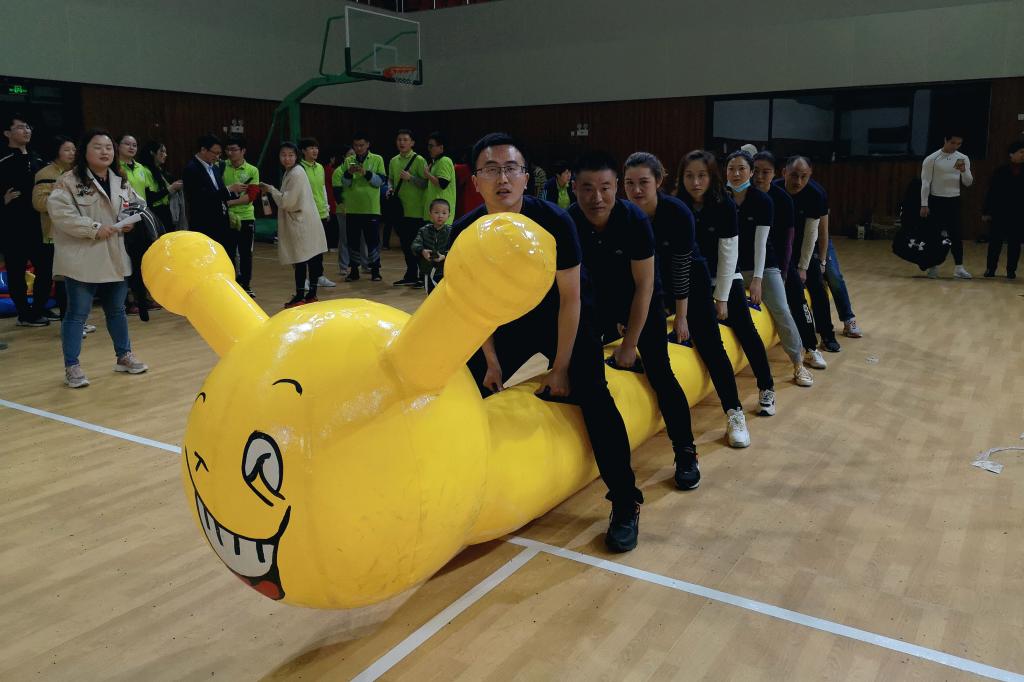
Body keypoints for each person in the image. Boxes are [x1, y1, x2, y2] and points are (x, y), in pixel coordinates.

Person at [452, 132, 643, 552]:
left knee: (594, 394)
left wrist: (560, 369)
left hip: (564, 316)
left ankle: (625, 500)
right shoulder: (465, 232)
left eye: (511, 168)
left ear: (526, 177)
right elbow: (470, 306)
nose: (502, 178)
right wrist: (491, 361)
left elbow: (571, 300)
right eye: (491, 170)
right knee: (465, 382)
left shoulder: (555, 221)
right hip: (507, 321)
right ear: (476, 182)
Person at [570, 151, 700, 490]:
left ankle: (686, 450)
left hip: (640, 300)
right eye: (587, 188)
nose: (597, 198)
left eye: (605, 188)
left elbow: (645, 287)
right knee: (580, 372)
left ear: (615, 187)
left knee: (660, 371)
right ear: (574, 188)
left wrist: (629, 345)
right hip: (596, 303)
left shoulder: (635, 221)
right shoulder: (569, 222)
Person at [624, 152, 750, 448]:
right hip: (651, 283)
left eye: (643, 182)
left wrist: (682, 316)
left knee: (709, 341)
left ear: (659, 181)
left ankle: (734, 411)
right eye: (629, 183)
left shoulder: (677, 211)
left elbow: (681, 267)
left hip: (691, 277)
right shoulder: (625, 214)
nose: (636, 190)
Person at [46, 128, 149, 388]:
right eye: (98, 147)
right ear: (85, 151)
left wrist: (129, 220)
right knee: (77, 314)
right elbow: (60, 214)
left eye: (109, 147)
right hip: (83, 258)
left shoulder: (120, 180)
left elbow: (138, 204)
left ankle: (124, 356)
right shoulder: (68, 181)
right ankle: (72, 366)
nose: (105, 151)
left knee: (117, 310)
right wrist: (93, 228)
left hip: (115, 255)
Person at [677, 150, 776, 419]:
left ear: (712, 177)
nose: (695, 182)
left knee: (744, 327)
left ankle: (766, 386)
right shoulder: (677, 205)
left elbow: (729, 254)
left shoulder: (724, 204)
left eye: (702, 175)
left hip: (725, 276)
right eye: (689, 176)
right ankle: (733, 407)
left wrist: (721, 297)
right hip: (692, 281)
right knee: (707, 340)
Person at [725, 149, 813, 388]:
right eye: (731, 169)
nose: (736, 174)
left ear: (750, 172)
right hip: (731, 268)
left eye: (742, 169)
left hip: (763, 266)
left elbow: (761, 244)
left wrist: (757, 279)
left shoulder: (763, 201)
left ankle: (798, 363)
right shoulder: (722, 198)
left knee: (782, 309)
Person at [752, 151, 828, 371]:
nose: (759, 176)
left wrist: (791, 271)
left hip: (776, 260)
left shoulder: (783, 199)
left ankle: (811, 347)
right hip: (747, 262)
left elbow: (789, 241)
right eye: (755, 171)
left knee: (798, 295)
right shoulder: (741, 196)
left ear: (774, 173)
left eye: (765, 172)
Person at [775, 156, 841, 353]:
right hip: (779, 248)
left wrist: (808, 265)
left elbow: (814, 233)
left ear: (810, 175)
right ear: (784, 172)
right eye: (794, 175)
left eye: (804, 176)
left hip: (804, 247)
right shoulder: (774, 190)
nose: (798, 181)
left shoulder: (815, 194)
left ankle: (827, 335)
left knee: (818, 286)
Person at [260, 142, 328, 308]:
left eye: (290, 155)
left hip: (301, 221)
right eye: (283, 155)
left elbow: (287, 202)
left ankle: (300, 296)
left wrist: (271, 190)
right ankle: (310, 294)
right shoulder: (293, 171)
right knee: (309, 258)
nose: (287, 158)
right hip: (305, 220)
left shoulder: (296, 173)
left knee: (300, 260)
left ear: (296, 156)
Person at [32, 135, 88, 329]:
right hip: (54, 234)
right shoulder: (45, 173)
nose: (72, 153)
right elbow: (39, 203)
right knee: (63, 280)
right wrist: (62, 198)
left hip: (77, 231)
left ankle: (77, 320)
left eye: (73, 149)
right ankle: (69, 322)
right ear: (56, 152)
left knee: (77, 278)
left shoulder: (77, 173)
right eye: (66, 150)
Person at [0, 113, 51, 327]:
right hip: (13, 226)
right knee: (16, 270)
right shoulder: (3, 160)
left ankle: (38, 309)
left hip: (38, 224)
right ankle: (24, 313)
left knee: (46, 267)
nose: (26, 130)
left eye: (28, 127)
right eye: (20, 127)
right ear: (7, 133)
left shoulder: (38, 159)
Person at [117, 133, 160, 317]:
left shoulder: (142, 168)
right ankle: (129, 301)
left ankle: (143, 297)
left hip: (140, 219)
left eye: (134, 144)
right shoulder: (115, 168)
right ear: (118, 146)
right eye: (127, 144)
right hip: (122, 220)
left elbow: (148, 194)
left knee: (142, 260)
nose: (131, 147)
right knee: (126, 261)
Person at [921, 133, 974, 279]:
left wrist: (964, 170)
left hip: (954, 200)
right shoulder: (932, 159)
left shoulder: (962, 158)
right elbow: (925, 183)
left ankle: (959, 267)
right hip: (936, 200)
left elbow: (968, 182)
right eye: (952, 143)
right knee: (934, 235)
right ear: (945, 140)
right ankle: (933, 266)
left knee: (956, 235)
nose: (955, 146)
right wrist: (924, 204)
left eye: (959, 144)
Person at [182, 134, 245, 253]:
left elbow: (219, 193)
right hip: (204, 223)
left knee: (225, 256)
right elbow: (200, 199)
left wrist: (235, 191)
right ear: (203, 150)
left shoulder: (215, 168)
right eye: (215, 153)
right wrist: (228, 189)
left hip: (221, 222)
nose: (217, 157)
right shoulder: (191, 169)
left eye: (219, 153)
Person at [336, 133, 384, 282]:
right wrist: (348, 174)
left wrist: (365, 173)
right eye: (356, 145)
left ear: (368, 145)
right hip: (352, 209)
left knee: (373, 241)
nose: (358, 148)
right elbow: (345, 183)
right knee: (353, 241)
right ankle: (354, 271)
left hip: (371, 208)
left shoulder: (377, 159)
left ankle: (375, 270)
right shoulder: (348, 161)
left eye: (361, 145)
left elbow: (379, 182)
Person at [387, 129, 428, 287]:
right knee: (405, 244)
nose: (402, 142)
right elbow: (390, 179)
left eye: (405, 139)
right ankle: (410, 274)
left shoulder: (419, 160)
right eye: (399, 139)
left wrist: (411, 178)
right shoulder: (393, 161)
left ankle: (422, 276)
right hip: (399, 210)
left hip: (416, 210)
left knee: (417, 245)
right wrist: (390, 188)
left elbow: (425, 184)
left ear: (412, 143)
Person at [222, 136, 259, 296]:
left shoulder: (252, 170)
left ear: (243, 151)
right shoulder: (221, 166)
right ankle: (232, 283)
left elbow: (251, 196)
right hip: (226, 218)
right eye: (228, 150)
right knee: (228, 252)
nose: (230, 153)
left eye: (234, 149)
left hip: (246, 217)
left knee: (245, 253)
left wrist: (229, 203)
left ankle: (246, 285)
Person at [983, 141, 1024, 279]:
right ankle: (991, 268)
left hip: (1018, 213)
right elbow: (991, 192)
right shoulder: (1000, 171)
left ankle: (1011, 270)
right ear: (1011, 154)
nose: (1023, 155)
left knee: (1015, 244)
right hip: (999, 212)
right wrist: (986, 211)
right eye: (1021, 152)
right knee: (995, 243)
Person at [298, 137, 335, 288]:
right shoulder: (299, 168)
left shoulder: (320, 167)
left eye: (316, 148)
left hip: (321, 213)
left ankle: (318, 276)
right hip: (306, 214)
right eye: (311, 148)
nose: (315, 151)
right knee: (306, 248)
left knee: (319, 248)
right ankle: (304, 278)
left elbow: (322, 188)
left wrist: (326, 208)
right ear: (303, 151)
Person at [139, 140, 184, 231]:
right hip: (156, 211)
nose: (165, 155)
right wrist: (171, 188)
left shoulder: (160, 170)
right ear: (152, 152)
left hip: (166, 209)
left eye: (165, 152)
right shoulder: (145, 170)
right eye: (162, 151)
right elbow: (150, 197)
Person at [411, 198, 452, 294]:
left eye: (444, 213)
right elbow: (415, 245)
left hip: (446, 270)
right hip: (428, 269)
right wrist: (422, 251)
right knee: (431, 294)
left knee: (445, 294)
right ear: (430, 214)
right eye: (436, 212)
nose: (440, 216)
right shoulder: (423, 230)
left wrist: (444, 256)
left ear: (449, 215)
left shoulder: (451, 231)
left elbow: (455, 249)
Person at [423, 132, 456, 222]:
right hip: (437, 213)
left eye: (431, 146)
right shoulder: (436, 162)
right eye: (428, 146)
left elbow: (442, 184)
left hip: (442, 214)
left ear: (441, 147)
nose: (429, 149)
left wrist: (428, 174)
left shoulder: (444, 161)